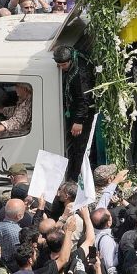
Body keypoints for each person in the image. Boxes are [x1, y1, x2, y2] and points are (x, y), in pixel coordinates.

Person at [53, 45, 93, 180]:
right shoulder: (70, 64)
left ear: (71, 60)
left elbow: (84, 98)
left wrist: (78, 121)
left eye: (64, 64)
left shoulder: (80, 73)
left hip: (81, 116)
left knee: (79, 147)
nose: (62, 68)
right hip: (73, 111)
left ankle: (76, 177)